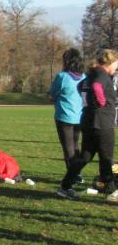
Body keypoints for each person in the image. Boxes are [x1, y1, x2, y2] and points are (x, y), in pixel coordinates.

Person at [57, 48, 118, 202]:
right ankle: (111, 190)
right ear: (110, 62)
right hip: (102, 123)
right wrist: (100, 102)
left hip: (88, 122)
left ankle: (65, 186)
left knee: (84, 156)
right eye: (116, 64)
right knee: (106, 158)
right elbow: (97, 87)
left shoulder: (90, 75)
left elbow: (80, 87)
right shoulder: (101, 75)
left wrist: (89, 103)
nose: (116, 67)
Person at [48, 48, 84, 179]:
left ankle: (72, 175)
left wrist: (54, 97)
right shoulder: (84, 77)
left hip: (64, 116)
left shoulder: (62, 77)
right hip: (79, 116)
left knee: (68, 148)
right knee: (76, 146)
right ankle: (78, 173)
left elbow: (51, 95)